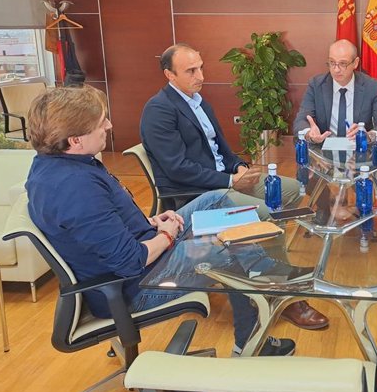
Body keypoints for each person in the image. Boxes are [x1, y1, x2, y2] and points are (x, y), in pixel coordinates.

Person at [25, 85, 296, 357]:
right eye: (100, 123)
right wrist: (166, 236)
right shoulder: (75, 188)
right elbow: (130, 261)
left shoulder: (59, 165)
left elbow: (99, 227)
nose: (109, 125)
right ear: (75, 140)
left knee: (216, 199)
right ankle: (253, 337)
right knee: (231, 247)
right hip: (136, 287)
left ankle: (267, 272)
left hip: (143, 253)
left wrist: (153, 223)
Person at [140, 43, 328, 331]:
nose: (200, 75)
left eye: (200, 67)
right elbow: (177, 168)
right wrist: (229, 180)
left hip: (225, 180)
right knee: (265, 211)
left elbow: (222, 150)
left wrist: (239, 167)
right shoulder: (159, 110)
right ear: (169, 75)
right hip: (198, 195)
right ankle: (282, 293)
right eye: (191, 70)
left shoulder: (200, 102)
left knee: (289, 189)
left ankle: (263, 267)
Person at [293, 39, 377, 142]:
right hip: (324, 151)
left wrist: (368, 136)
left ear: (355, 63)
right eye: (332, 62)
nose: (336, 69)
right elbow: (300, 121)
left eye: (343, 64)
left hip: (359, 151)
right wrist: (309, 134)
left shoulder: (372, 87)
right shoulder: (316, 85)